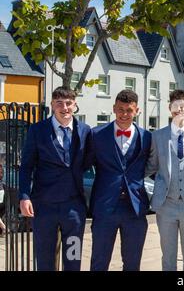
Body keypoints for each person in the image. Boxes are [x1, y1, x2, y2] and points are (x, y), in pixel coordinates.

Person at [19, 86, 91, 271]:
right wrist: (24, 196)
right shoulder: (37, 130)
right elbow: (26, 166)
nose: (64, 107)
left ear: (75, 105)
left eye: (68, 103)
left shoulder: (85, 131)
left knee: (73, 259)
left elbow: (91, 162)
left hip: (74, 209)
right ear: (52, 105)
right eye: (59, 103)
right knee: (45, 261)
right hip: (44, 208)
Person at [88, 89, 151, 271]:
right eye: (120, 109)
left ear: (137, 111)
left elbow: (156, 166)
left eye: (129, 110)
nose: (124, 114)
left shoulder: (147, 137)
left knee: (132, 264)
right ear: (114, 108)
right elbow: (81, 165)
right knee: (99, 262)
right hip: (105, 207)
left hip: (135, 208)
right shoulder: (96, 135)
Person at [145, 90, 184, 271]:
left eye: (183, 105)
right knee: (168, 257)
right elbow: (150, 166)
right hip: (166, 205)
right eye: (175, 105)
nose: (178, 109)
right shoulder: (157, 136)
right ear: (169, 108)